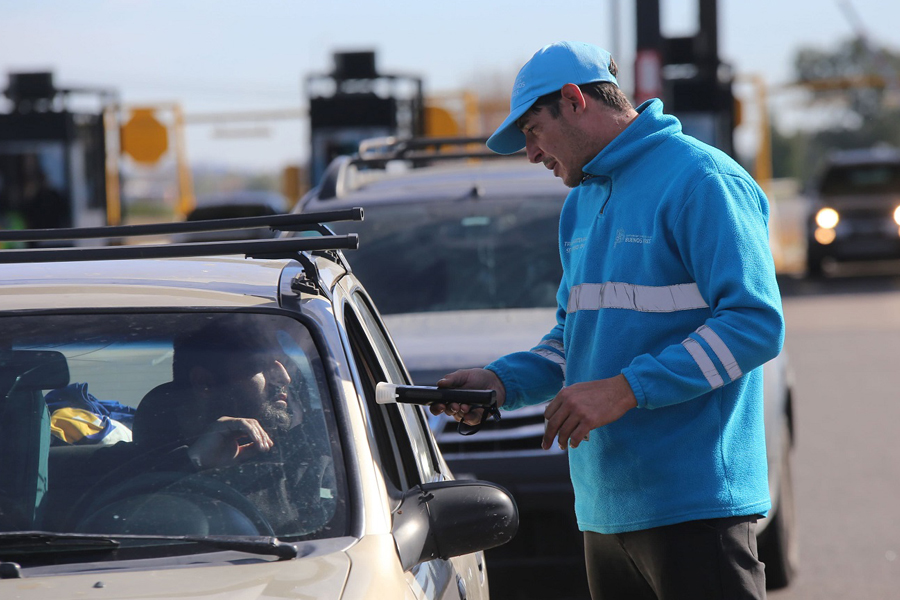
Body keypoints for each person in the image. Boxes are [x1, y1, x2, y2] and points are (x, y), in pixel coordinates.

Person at [433, 41, 784, 599]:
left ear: (574, 101)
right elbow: (572, 339)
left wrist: (626, 390)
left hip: (693, 506)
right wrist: (502, 381)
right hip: (604, 512)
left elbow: (755, 323)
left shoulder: (701, 179)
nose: (530, 152)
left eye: (531, 130)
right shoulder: (580, 203)